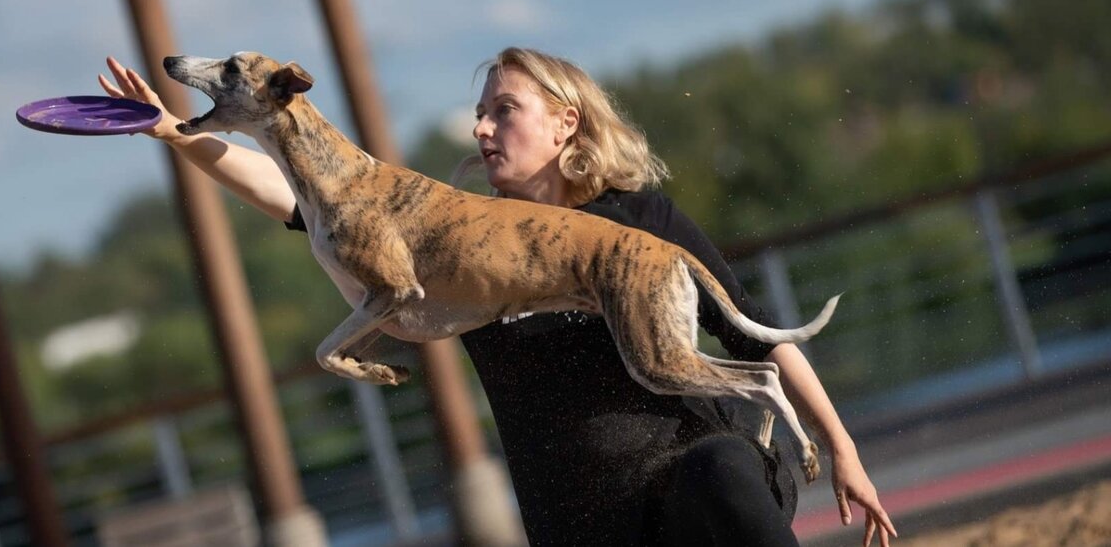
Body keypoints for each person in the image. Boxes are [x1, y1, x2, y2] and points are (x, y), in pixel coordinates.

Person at [97, 49, 897, 546]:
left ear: (564, 123)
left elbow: (757, 334)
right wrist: (174, 133)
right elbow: (289, 193)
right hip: (579, 513)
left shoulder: (634, 221)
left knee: (721, 468)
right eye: (479, 113)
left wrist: (845, 450)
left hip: (695, 471)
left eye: (503, 110)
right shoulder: (449, 238)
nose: (482, 128)